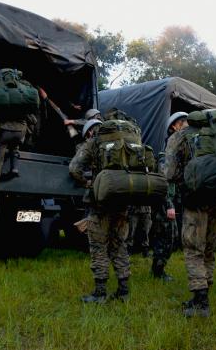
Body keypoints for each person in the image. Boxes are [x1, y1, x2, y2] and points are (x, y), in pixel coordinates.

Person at [165, 111, 216, 318]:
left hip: (195, 197)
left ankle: (200, 301)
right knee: (210, 245)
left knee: (193, 247)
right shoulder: (215, 133)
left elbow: (170, 173)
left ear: (176, 125)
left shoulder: (179, 137)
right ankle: (206, 285)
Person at [69, 112, 133, 304]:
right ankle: (123, 291)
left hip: (100, 203)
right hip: (123, 199)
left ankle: (100, 292)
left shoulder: (93, 143)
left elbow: (74, 168)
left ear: (89, 133)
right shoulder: (126, 142)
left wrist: (88, 183)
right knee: (119, 244)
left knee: (99, 246)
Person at [0, 69, 39, 213]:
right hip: (21, 133)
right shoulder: (23, 89)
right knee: (15, 143)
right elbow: (33, 117)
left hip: (4, 133)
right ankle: (14, 168)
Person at [150, 112, 188, 281]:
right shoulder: (167, 152)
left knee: (171, 237)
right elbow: (164, 180)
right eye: (182, 122)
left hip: (175, 201)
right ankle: (158, 272)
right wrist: (169, 205)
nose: (186, 124)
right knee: (166, 238)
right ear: (173, 127)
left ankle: (158, 270)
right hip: (166, 202)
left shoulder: (183, 149)